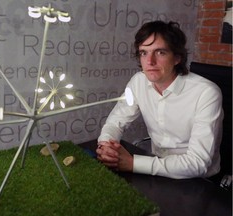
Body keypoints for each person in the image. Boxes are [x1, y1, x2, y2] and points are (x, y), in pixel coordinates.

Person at [96, 20, 223, 179]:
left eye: (160, 52)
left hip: (199, 181)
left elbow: (198, 163)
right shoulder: (138, 81)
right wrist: (107, 146)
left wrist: (132, 163)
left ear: (177, 57)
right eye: (144, 52)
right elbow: (116, 121)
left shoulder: (206, 93)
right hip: (156, 169)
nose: (150, 62)